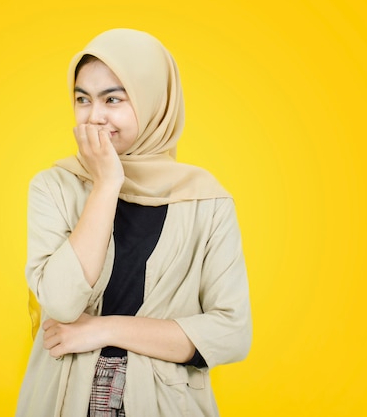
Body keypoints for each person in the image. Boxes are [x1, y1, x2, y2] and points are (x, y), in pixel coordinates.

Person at [15, 28, 252, 417]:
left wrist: (102, 329)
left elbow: (231, 333)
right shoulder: (53, 186)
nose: (94, 116)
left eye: (113, 99)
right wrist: (106, 185)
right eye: (82, 99)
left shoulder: (207, 201)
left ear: (153, 100)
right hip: (61, 399)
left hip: (164, 404)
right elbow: (60, 301)